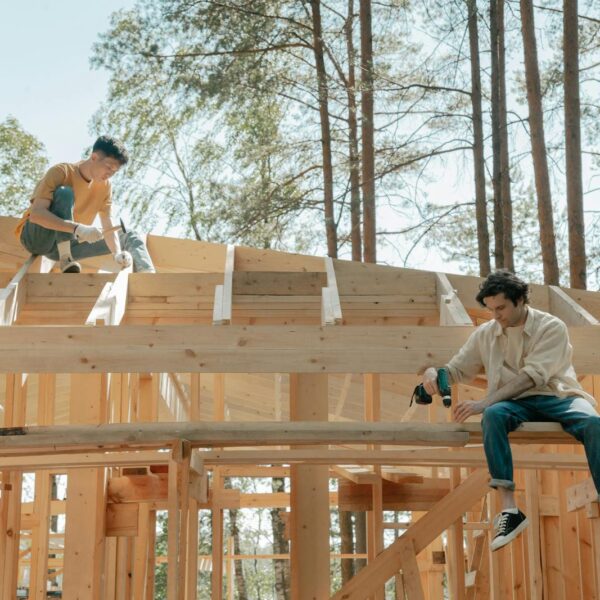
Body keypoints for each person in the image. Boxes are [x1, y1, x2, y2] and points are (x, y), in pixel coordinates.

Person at [422, 270, 600, 551]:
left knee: (593, 422)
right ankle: (510, 511)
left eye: (501, 308)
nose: (496, 315)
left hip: (558, 396)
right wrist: (433, 372)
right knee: (493, 416)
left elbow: (532, 377)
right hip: (515, 405)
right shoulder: (486, 334)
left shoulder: (551, 327)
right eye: (491, 309)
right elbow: (456, 369)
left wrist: (484, 401)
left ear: (520, 301)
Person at [15, 135, 155, 273]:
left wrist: (117, 253)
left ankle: (150, 280)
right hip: (37, 238)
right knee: (65, 193)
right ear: (94, 157)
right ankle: (66, 257)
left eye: (114, 171)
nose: (110, 174)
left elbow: (108, 223)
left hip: (64, 246)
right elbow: (36, 214)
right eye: (108, 167)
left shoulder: (105, 187)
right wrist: (78, 228)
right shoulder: (62, 172)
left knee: (128, 235)